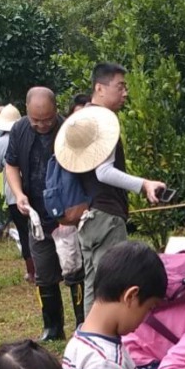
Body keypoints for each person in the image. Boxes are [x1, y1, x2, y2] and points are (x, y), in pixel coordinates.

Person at [57, 61, 165, 313]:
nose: (125, 92)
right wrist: (144, 184)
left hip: (87, 215)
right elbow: (103, 172)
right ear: (99, 88)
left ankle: (87, 342)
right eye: (120, 86)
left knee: (94, 285)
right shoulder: (103, 120)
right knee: (113, 283)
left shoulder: (81, 119)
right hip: (105, 214)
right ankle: (105, 343)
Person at [5, 87, 82, 340]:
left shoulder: (69, 128)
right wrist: (18, 194)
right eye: (36, 120)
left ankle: (83, 324)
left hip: (68, 212)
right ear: (26, 111)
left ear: (56, 109)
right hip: (36, 213)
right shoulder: (19, 130)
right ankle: (52, 326)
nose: (42, 125)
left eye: (47, 119)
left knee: (75, 270)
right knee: (43, 273)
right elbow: (11, 164)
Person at [0, 105, 34, 281]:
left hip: (14, 194)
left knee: (23, 232)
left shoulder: (0, 143)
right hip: (34, 191)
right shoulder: (30, 136)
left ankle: (31, 270)